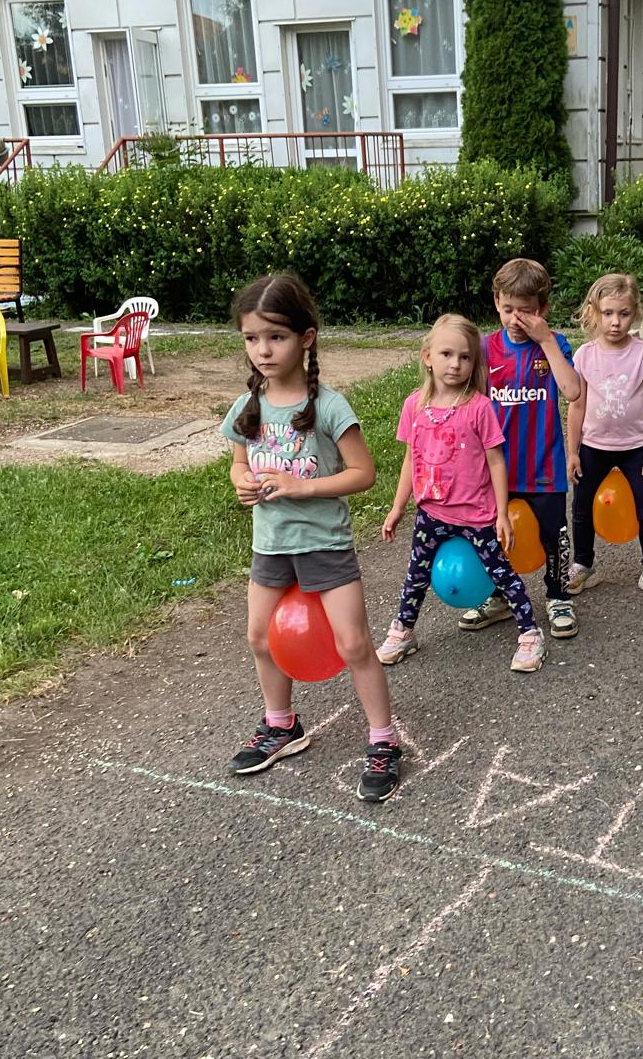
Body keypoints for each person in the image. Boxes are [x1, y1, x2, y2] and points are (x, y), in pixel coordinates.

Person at [222, 272, 403, 803]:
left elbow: (363, 473)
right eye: (251, 338)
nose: (262, 349)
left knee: (353, 643)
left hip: (324, 543)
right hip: (270, 545)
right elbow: (238, 461)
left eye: (275, 336)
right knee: (261, 637)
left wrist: (303, 486)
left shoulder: (329, 405)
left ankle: (384, 740)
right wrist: (241, 481)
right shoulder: (247, 406)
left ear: (306, 337)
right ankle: (281, 725)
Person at [376, 315, 546, 673]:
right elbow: (411, 458)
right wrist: (397, 507)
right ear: (427, 356)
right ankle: (403, 631)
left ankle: (530, 634)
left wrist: (501, 513)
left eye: (465, 357)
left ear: (475, 363)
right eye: (447, 354)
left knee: (501, 573)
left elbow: (496, 462)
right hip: (431, 513)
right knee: (416, 575)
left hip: (477, 514)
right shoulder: (415, 407)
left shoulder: (479, 407)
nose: (455, 364)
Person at [460, 257, 582, 641]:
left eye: (526, 311)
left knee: (553, 536)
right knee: (496, 537)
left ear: (543, 310)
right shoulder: (483, 349)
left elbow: (574, 391)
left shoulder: (555, 345)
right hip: (496, 470)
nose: (516, 318)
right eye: (508, 309)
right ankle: (497, 597)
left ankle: (559, 597)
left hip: (544, 466)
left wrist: (546, 340)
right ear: (496, 302)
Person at [566, 272, 643, 602]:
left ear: (635, 313)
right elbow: (576, 406)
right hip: (593, 447)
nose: (616, 322)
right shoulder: (585, 355)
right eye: (608, 313)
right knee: (582, 508)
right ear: (594, 312)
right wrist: (573, 452)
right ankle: (582, 565)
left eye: (624, 313)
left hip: (636, 448)